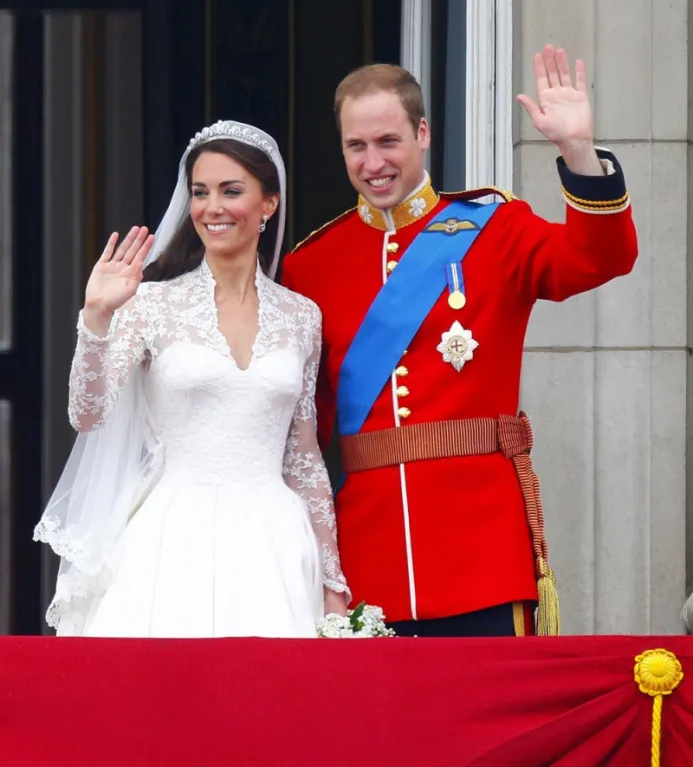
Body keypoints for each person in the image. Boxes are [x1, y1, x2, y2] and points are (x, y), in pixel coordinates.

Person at [281, 46, 638, 638]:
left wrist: (576, 150)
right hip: (370, 561)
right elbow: (300, 429)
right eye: (356, 146)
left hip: (483, 556)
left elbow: (602, 257)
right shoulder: (310, 266)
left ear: (423, 134)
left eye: (388, 141)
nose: (374, 163)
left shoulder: (495, 230)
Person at [35, 121, 350, 637]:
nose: (211, 208)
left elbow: (303, 455)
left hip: (274, 541)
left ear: (269, 202)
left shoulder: (302, 316)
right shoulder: (150, 304)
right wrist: (95, 319)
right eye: (200, 192)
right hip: (172, 538)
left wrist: (332, 579)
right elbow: (87, 413)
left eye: (232, 191)